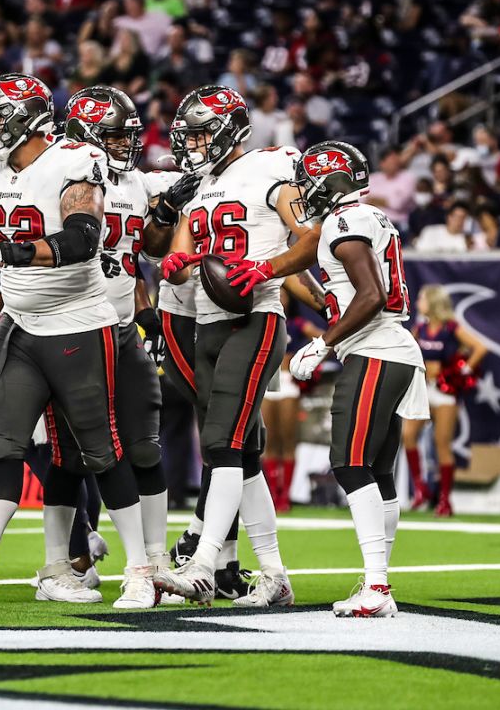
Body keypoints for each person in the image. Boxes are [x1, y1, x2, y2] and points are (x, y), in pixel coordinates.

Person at [0, 73, 155, 610]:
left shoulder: (75, 160)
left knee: (102, 451)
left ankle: (140, 570)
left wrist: (8, 256)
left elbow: (83, 240)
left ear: (27, 117)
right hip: (18, 325)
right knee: (4, 445)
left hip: (76, 324)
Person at [233, 140, 430, 617]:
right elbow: (325, 274)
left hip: (376, 349)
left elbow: (370, 294)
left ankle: (377, 588)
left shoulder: (346, 222)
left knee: (349, 463)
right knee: (377, 470)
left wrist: (322, 341)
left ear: (330, 181)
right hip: (391, 350)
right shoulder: (360, 219)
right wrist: (267, 269)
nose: (303, 189)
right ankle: (377, 583)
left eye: (309, 180)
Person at [152, 85, 304, 608]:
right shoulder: (197, 185)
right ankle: (274, 575)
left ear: (229, 128)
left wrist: (268, 268)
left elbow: (309, 236)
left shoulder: (271, 167)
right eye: (187, 135)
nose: (192, 144)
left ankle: (203, 564)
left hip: (255, 317)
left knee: (220, 443)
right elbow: (182, 243)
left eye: (200, 133)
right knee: (245, 452)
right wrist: (176, 261)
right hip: (208, 322)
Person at [48, 85, 179, 603]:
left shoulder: (137, 182)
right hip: (71, 328)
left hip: (123, 328)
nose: (126, 142)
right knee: (70, 454)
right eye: (114, 134)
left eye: (128, 133)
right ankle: (64, 564)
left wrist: (147, 318)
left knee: (144, 444)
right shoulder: (60, 178)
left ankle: (155, 560)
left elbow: (140, 255)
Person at [403, 285, 489, 516]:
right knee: (408, 435)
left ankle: (445, 500)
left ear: (433, 301)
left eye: (422, 297)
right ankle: (420, 488)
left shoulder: (451, 327)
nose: (418, 301)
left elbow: (480, 348)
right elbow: (406, 351)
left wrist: (463, 371)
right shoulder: (419, 328)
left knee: (442, 443)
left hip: (444, 391)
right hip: (423, 388)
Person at [262, 291, 324, 513]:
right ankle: (272, 493)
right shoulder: (262, 321)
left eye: (283, 294)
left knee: (288, 439)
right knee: (269, 441)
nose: (279, 297)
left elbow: (325, 340)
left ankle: (285, 495)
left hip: (288, 382)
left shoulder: (298, 324)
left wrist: (306, 362)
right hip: (268, 381)